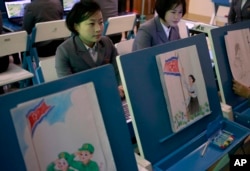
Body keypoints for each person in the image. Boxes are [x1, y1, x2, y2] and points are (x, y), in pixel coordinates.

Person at [55, 1, 124, 97]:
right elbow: (68, 89)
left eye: (100, 22)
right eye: (91, 24)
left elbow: (118, 72)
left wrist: (120, 86)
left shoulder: (107, 43)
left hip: (111, 96)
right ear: (76, 26)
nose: (98, 29)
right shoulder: (64, 51)